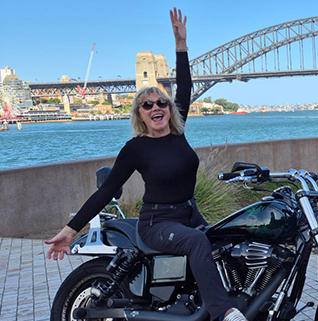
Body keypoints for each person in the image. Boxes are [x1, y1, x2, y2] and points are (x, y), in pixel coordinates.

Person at [44, 8, 247, 321]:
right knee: (196, 241)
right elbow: (107, 191)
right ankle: (224, 313)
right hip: (157, 224)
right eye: (147, 104)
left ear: (169, 108)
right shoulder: (136, 148)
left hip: (190, 213)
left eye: (161, 102)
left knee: (231, 240)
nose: (156, 107)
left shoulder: (177, 133)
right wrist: (71, 231)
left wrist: (181, 45)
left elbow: (185, 86)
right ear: (140, 114)